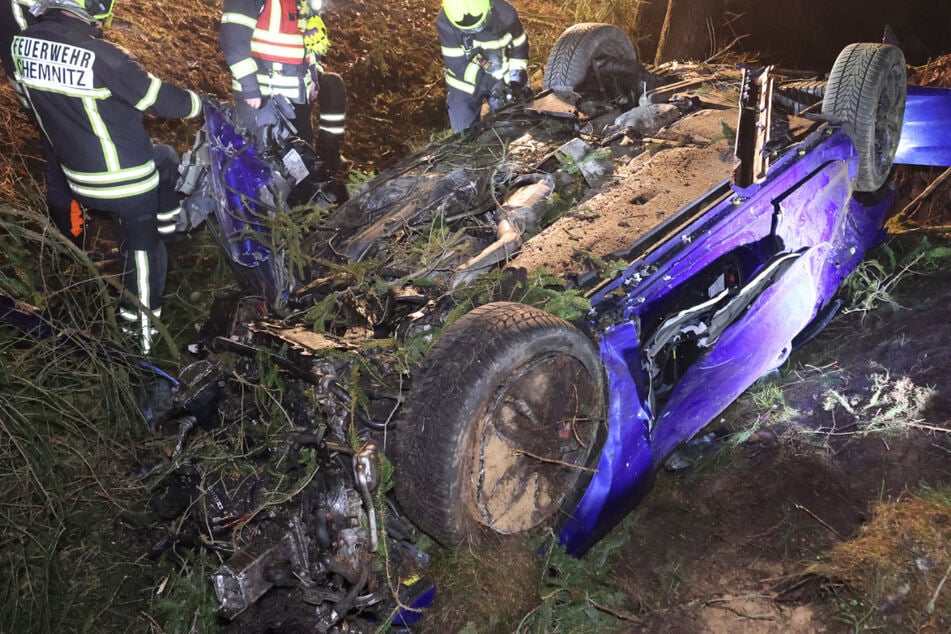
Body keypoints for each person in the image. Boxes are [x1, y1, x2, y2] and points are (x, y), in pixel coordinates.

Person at [11, 0, 203, 353]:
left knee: (165, 157)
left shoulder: (22, 45)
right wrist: (203, 103)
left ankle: (168, 230)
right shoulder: (104, 56)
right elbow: (160, 100)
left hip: (76, 173)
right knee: (146, 256)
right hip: (123, 180)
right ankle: (140, 339)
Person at [220, 0, 348, 174]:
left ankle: (319, 171)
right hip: (263, 100)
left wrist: (313, 77)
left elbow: (306, 44)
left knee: (301, 167)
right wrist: (250, 87)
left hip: (296, 98)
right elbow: (233, 40)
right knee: (265, 168)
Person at [1, 0, 85, 245]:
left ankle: (72, 239)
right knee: (61, 163)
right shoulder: (16, 12)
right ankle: (73, 244)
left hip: (54, 94)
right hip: (48, 100)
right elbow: (24, 64)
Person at [436, 0, 532, 133]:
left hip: (502, 81)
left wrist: (516, 81)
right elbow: (457, 64)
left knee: (511, 126)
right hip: (464, 85)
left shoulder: (506, 14)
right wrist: (490, 84)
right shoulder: (445, 22)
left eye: (478, 25)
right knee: (464, 135)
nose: (474, 31)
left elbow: (519, 48)